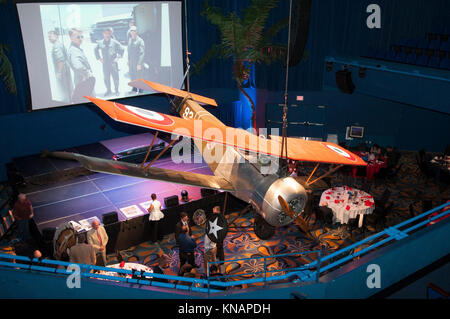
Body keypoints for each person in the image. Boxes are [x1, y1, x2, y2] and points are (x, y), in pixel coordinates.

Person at [94, 27, 124, 97]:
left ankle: (116, 90)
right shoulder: (100, 42)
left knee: (115, 77)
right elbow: (95, 50)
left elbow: (122, 49)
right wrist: (99, 58)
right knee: (106, 78)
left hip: (113, 63)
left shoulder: (114, 42)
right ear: (103, 34)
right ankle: (108, 90)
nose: (107, 35)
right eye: (105, 33)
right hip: (105, 64)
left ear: (111, 34)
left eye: (108, 33)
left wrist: (118, 57)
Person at [68, 28, 95, 102]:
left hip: (83, 81)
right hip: (83, 81)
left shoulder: (76, 48)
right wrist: (87, 72)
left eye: (81, 37)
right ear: (71, 38)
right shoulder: (74, 51)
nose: (80, 39)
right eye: (77, 37)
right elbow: (78, 66)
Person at [48, 30, 73, 103]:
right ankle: (69, 100)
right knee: (68, 86)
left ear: (56, 36)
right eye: (48, 37)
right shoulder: (59, 44)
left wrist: (59, 72)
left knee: (63, 87)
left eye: (50, 36)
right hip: (65, 68)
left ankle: (66, 102)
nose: (49, 38)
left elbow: (60, 60)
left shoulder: (56, 46)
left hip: (62, 70)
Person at [127, 26, 145, 93]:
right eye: (131, 31)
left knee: (139, 76)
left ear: (136, 31)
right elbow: (128, 51)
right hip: (131, 62)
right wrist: (128, 60)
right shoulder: (130, 40)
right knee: (132, 75)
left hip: (137, 62)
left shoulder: (140, 41)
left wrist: (139, 63)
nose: (132, 32)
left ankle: (140, 90)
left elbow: (142, 53)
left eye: (134, 31)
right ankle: (134, 88)